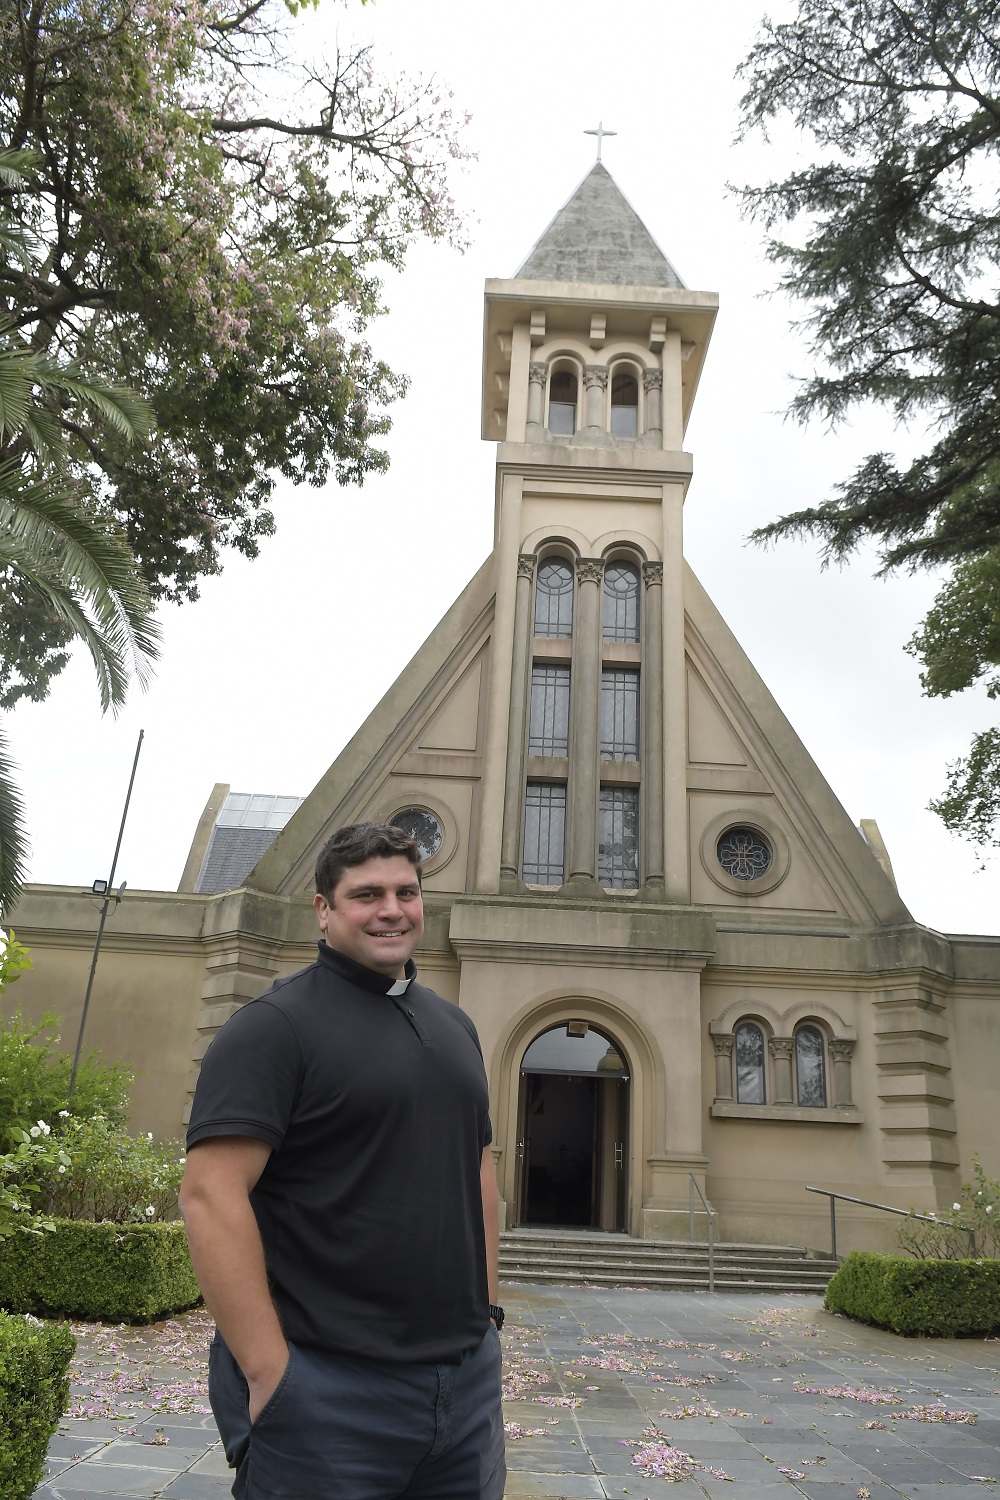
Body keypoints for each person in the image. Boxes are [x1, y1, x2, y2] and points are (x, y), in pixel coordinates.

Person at [179, 821, 506, 1500]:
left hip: (463, 1389)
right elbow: (211, 1194)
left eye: (405, 892)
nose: (391, 909)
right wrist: (271, 1374)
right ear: (324, 911)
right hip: (328, 1393)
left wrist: (488, 1319)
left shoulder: (456, 1026)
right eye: (366, 895)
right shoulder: (274, 1028)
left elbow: (477, 1167)